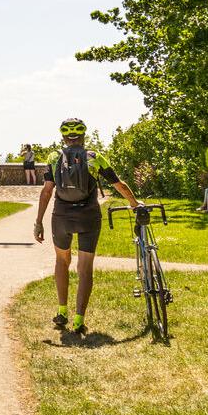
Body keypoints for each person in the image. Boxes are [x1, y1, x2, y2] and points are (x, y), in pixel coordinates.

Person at [33, 118, 139, 336]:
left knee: (62, 262)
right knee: (85, 268)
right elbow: (118, 184)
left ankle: (62, 311)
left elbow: (46, 191)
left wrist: (38, 221)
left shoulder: (54, 158)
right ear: (83, 136)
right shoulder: (94, 157)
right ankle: (79, 319)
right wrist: (134, 204)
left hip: (61, 216)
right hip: (88, 216)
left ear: (63, 137)